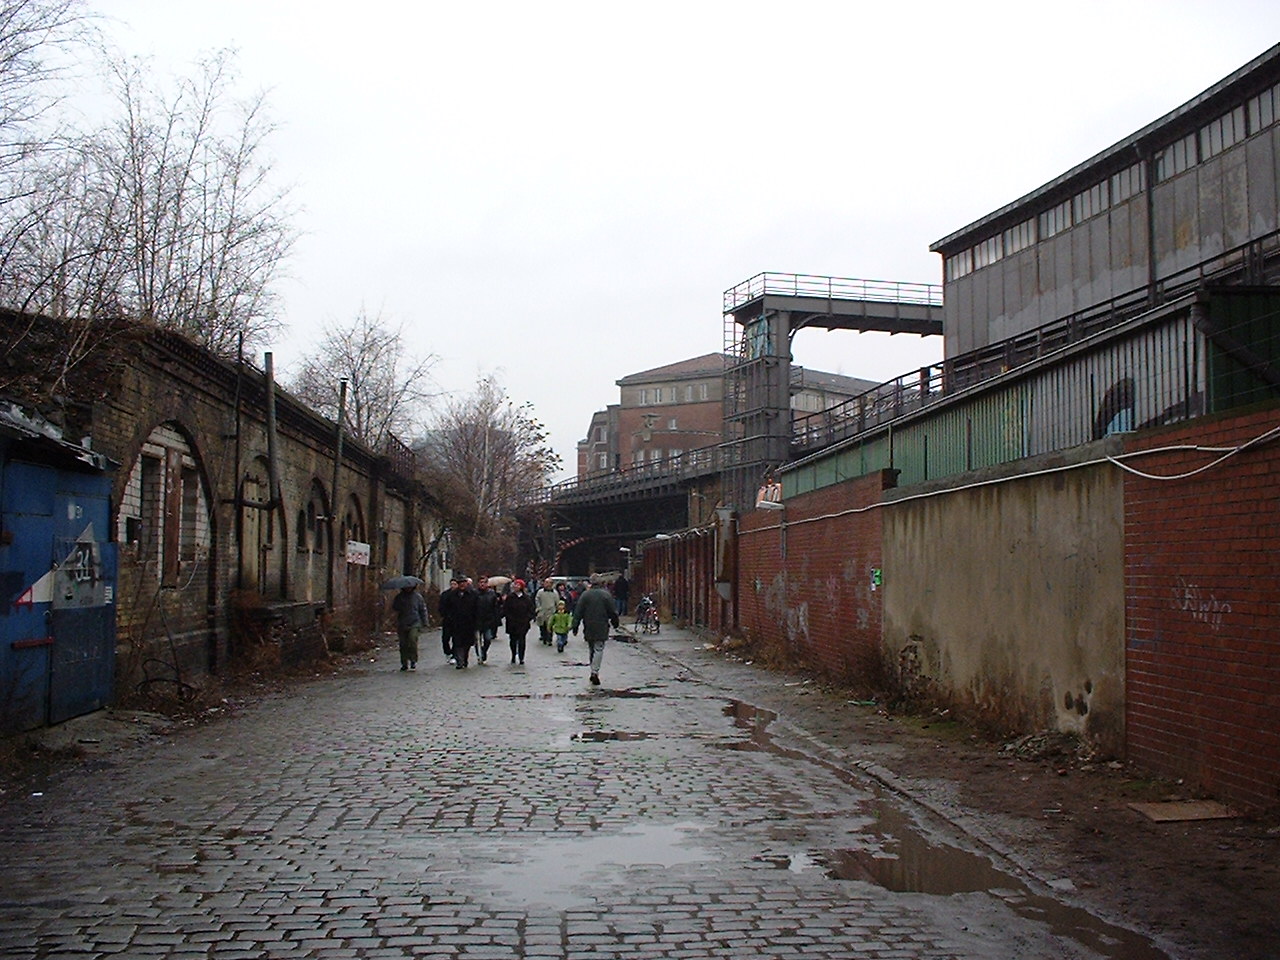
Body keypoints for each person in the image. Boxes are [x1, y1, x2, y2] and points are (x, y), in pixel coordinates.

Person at [572, 574, 619, 686]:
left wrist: (575, 625)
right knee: (599, 648)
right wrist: (615, 622)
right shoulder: (606, 595)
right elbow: (612, 611)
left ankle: (593, 670)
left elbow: (578, 611)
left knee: (592, 648)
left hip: (589, 624)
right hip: (602, 624)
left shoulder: (585, 595)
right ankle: (595, 671)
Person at [391, 583, 429, 671]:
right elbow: (395, 608)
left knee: (412, 640)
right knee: (403, 644)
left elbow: (423, 609)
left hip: (415, 622)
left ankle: (413, 660)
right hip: (403, 622)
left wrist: (425, 622)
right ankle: (404, 662)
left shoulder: (418, 597)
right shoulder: (399, 597)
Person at [502, 578, 536, 665]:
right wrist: (508, 617)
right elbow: (505, 609)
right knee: (512, 640)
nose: (516, 586)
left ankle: (521, 657)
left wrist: (528, 618)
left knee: (522, 640)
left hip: (523, 622)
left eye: (518, 585)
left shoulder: (526, 598)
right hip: (512, 622)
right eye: (515, 585)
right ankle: (513, 655)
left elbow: (531, 609)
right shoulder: (510, 597)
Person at [450, 576, 479, 668]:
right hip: (456, 623)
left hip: (469, 623)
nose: (462, 584)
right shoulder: (453, 595)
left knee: (467, 643)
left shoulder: (473, 594)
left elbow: (477, 608)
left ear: (467, 583)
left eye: (463, 582)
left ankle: (464, 658)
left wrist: (477, 621)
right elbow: (447, 608)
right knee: (457, 642)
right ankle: (460, 661)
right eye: (460, 583)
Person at [474, 575, 502, 664]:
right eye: (480, 582)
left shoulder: (491, 594)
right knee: (477, 640)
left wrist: (496, 619)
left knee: (488, 638)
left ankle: (484, 651)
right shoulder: (474, 594)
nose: (482, 584)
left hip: (488, 620)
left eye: (484, 582)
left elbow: (495, 607)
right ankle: (479, 656)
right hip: (477, 620)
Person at [437, 577, 459, 663]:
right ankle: (447, 652)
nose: (453, 586)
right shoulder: (445, 594)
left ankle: (454, 654)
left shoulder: (459, 595)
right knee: (445, 638)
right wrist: (443, 614)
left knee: (456, 638)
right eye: (452, 584)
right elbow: (441, 606)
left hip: (457, 620)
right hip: (447, 619)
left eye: (455, 584)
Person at [534, 577, 559, 646]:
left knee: (550, 625)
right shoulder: (540, 592)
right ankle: (543, 636)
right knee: (542, 625)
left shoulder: (555, 593)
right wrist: (538, 608)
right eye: (546, 582)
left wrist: (557, 609)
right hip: (542, 610)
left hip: (551, 611)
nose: (547, 584)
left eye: (549, 583)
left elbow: (557, 602)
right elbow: (537, 600)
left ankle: (549, 638)